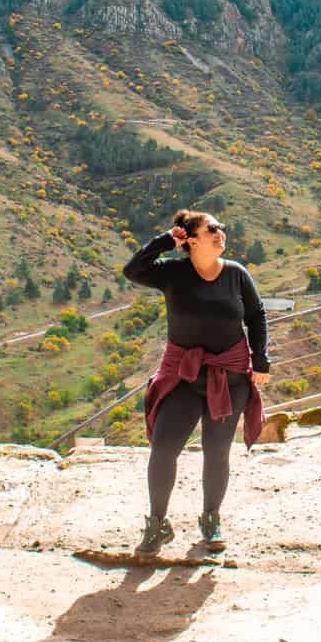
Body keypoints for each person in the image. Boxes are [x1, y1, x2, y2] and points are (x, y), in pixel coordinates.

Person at [123, 208, 271, 556]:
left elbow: (256, 315)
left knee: (217, 451)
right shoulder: (173, 273)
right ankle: (157, 524)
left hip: (230, 377)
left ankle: (211, 520)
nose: (221, 233)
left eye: (220, 228)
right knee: (163, 449)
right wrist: (165, 241)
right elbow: (133, 270)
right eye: (212, 229)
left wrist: (261, 359)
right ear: (190, 240)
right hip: (183, 378)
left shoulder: (236, 274)